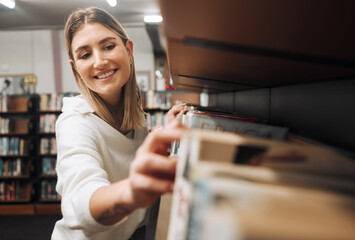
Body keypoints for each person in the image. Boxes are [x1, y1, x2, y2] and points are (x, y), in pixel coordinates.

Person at [51, 7, 187, 240]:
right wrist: (132, 192)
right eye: (85, 55)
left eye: (108, 46)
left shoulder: (133, 110)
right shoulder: (74, 123)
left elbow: (129, 155)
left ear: (129, 49)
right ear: (76, 68)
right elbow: (80, 200)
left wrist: (165, 134)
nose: (100, 61)